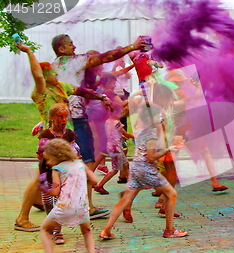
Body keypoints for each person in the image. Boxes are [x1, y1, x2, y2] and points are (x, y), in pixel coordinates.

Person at [13, 43, 112, 232]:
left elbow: (81, 91)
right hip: (50, 143)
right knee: (41, 179)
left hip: (64, 141)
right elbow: (38, 75)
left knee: (56, 177)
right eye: (51, 72)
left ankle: (55, 209)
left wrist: (102, 98)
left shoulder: (60, 87)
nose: (56, 74)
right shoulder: (42, 91)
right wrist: (29, 51)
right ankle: (24, 218)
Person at [50, 34, 148, 219]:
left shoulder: (55, 66)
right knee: (86, 162)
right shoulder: (74, 62)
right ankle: (85, 208)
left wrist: (100, 97)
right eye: (70, 44)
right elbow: (106, 56)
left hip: (61, 118)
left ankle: (57, 204)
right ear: (61, 49)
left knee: (61, 162)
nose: (75, 46)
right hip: (75, 119)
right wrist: (132, 46)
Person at [99, 104, 188, 239]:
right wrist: (169, 149)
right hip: (146, 169)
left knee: (125, 200)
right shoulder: (151, 134)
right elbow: (152, 156)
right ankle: (169, 230)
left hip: (135, 168)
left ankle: (106, 230)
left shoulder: (140, 128)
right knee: (171, 194)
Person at [39, 138, 98, 253]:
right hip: (82, 207)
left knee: (45, 230)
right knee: (87, 232)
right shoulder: (80, 164)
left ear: (56, 156)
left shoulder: (57, 169)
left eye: (48, 159)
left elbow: (55, 192)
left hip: (64, 207)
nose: (48, 163)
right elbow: (94, 180)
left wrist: (44, 187)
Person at [36, 104, 79, 245]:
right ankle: (50, 226)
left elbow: (75, 151)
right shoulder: (45, 135)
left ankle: (57, 231)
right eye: (60, 116)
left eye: (65, 117)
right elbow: (40, 154)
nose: (63, 119)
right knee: (48, 202)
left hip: (63, 175)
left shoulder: (70, 134)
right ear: (52, 118)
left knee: (59, 203)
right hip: (46, 173)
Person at [92, 73, 133, 195]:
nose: (115, 84)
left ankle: (129, 180)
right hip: (111, 133)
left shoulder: (102, 93)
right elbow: (121, 104)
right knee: (113, 154)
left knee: (103, 153)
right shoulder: (109, 95)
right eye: (113, 82)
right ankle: (98, 182)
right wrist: (134, 98)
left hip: (105, 125)